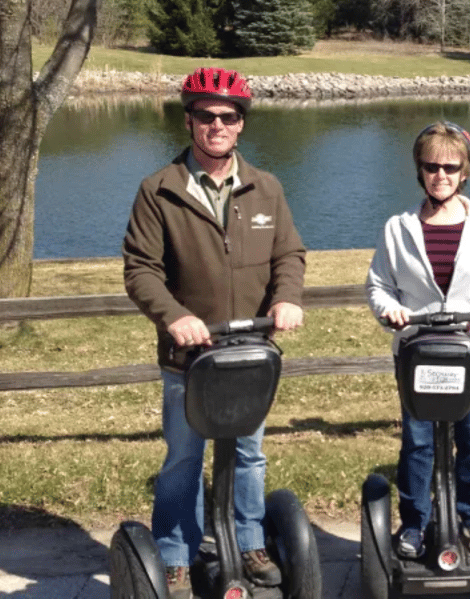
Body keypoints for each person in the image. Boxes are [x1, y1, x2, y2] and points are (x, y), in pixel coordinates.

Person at [122, 67, 306, 598]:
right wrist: (175, 316)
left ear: (241, 124)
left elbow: (288, 254)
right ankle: (176, 555)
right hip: (189, 358)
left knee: (248, 453)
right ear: (189, 121)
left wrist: (286, 298)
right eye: (206, 116)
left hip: (250, 353)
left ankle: (249, 542)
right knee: (184, 456)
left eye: (228, 116)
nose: (216, 125)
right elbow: (141, 270)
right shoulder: (159, 191)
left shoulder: (265, 188)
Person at [366, 121, 470, 559]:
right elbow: (378, 285)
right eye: (432, 166)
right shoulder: (398, 228)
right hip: (417, 350)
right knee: (417, 437)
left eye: (450, 167)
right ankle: (415, 523)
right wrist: (389, 311)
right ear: (420, 169)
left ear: (465, 171)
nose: (441, 175)